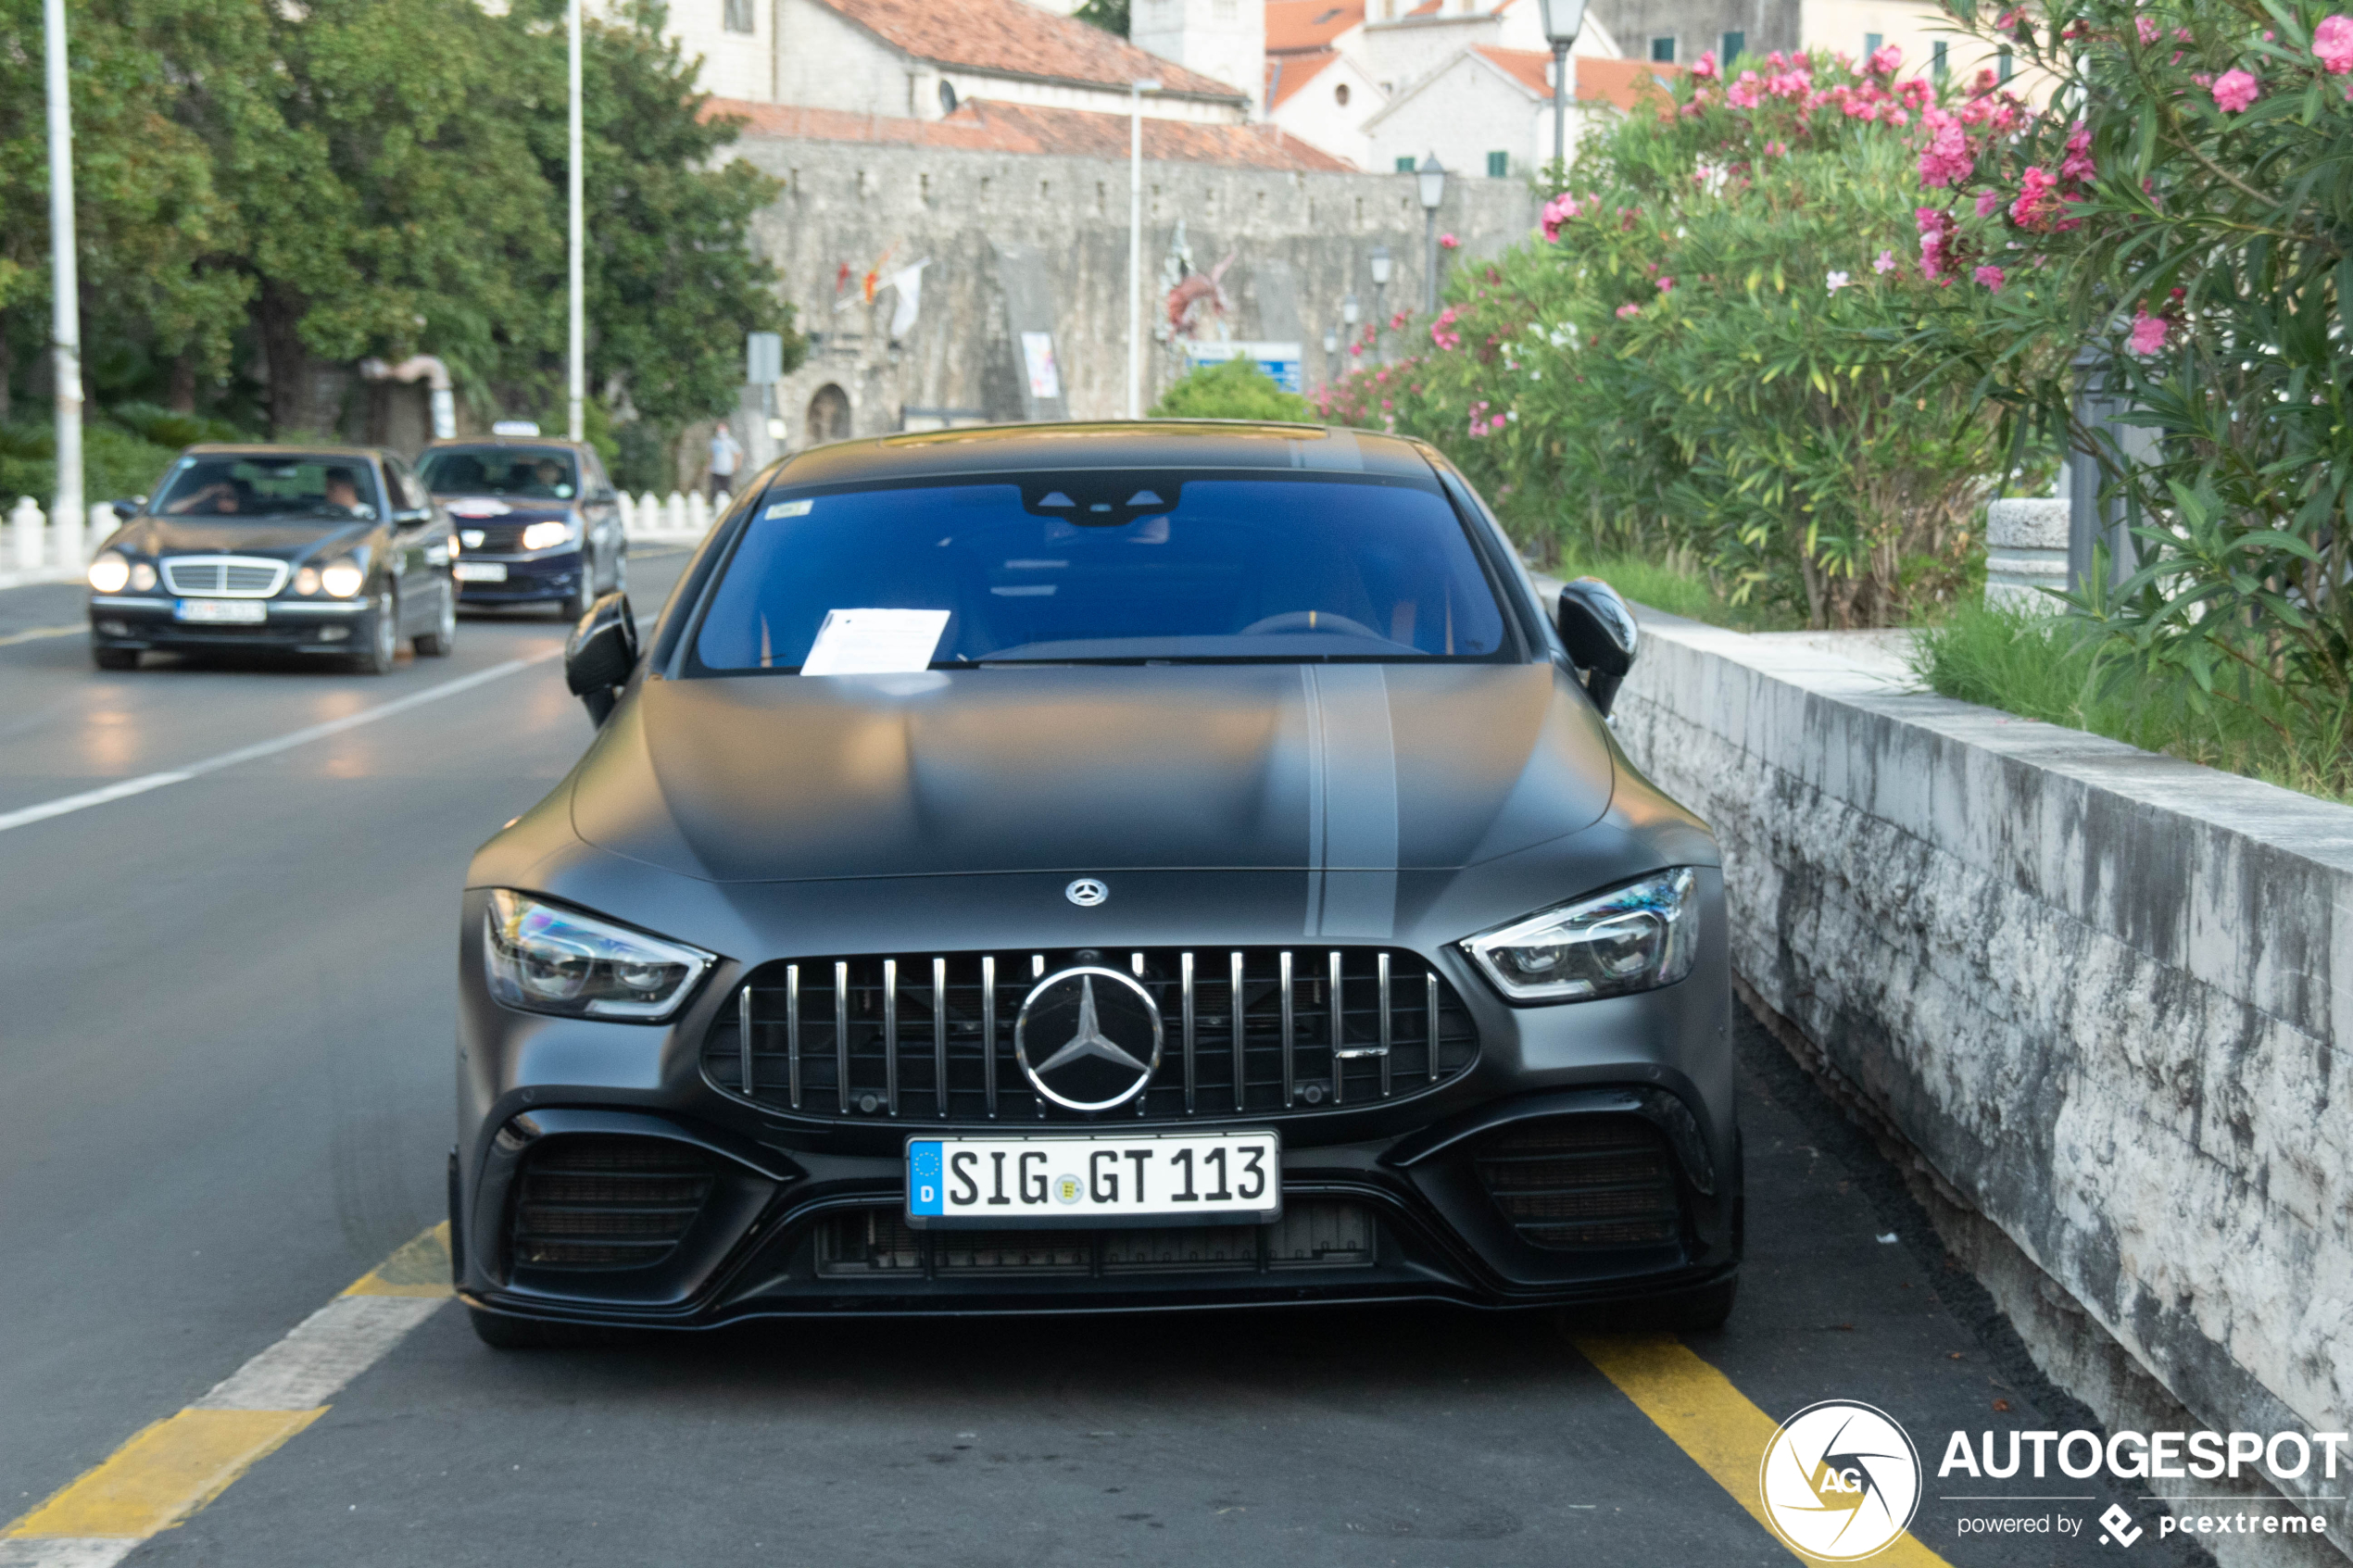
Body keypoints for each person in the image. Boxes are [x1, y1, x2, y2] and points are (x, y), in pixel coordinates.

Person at [708, 424, 743, 501]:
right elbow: (711, 454)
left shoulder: (730, 441)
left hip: (727, 469)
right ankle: (713, 503)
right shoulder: (714, 441)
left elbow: (738, 453)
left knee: (726, 489)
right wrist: (709, 465)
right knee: (714, 489)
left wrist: (736, 465)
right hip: (715, 469)